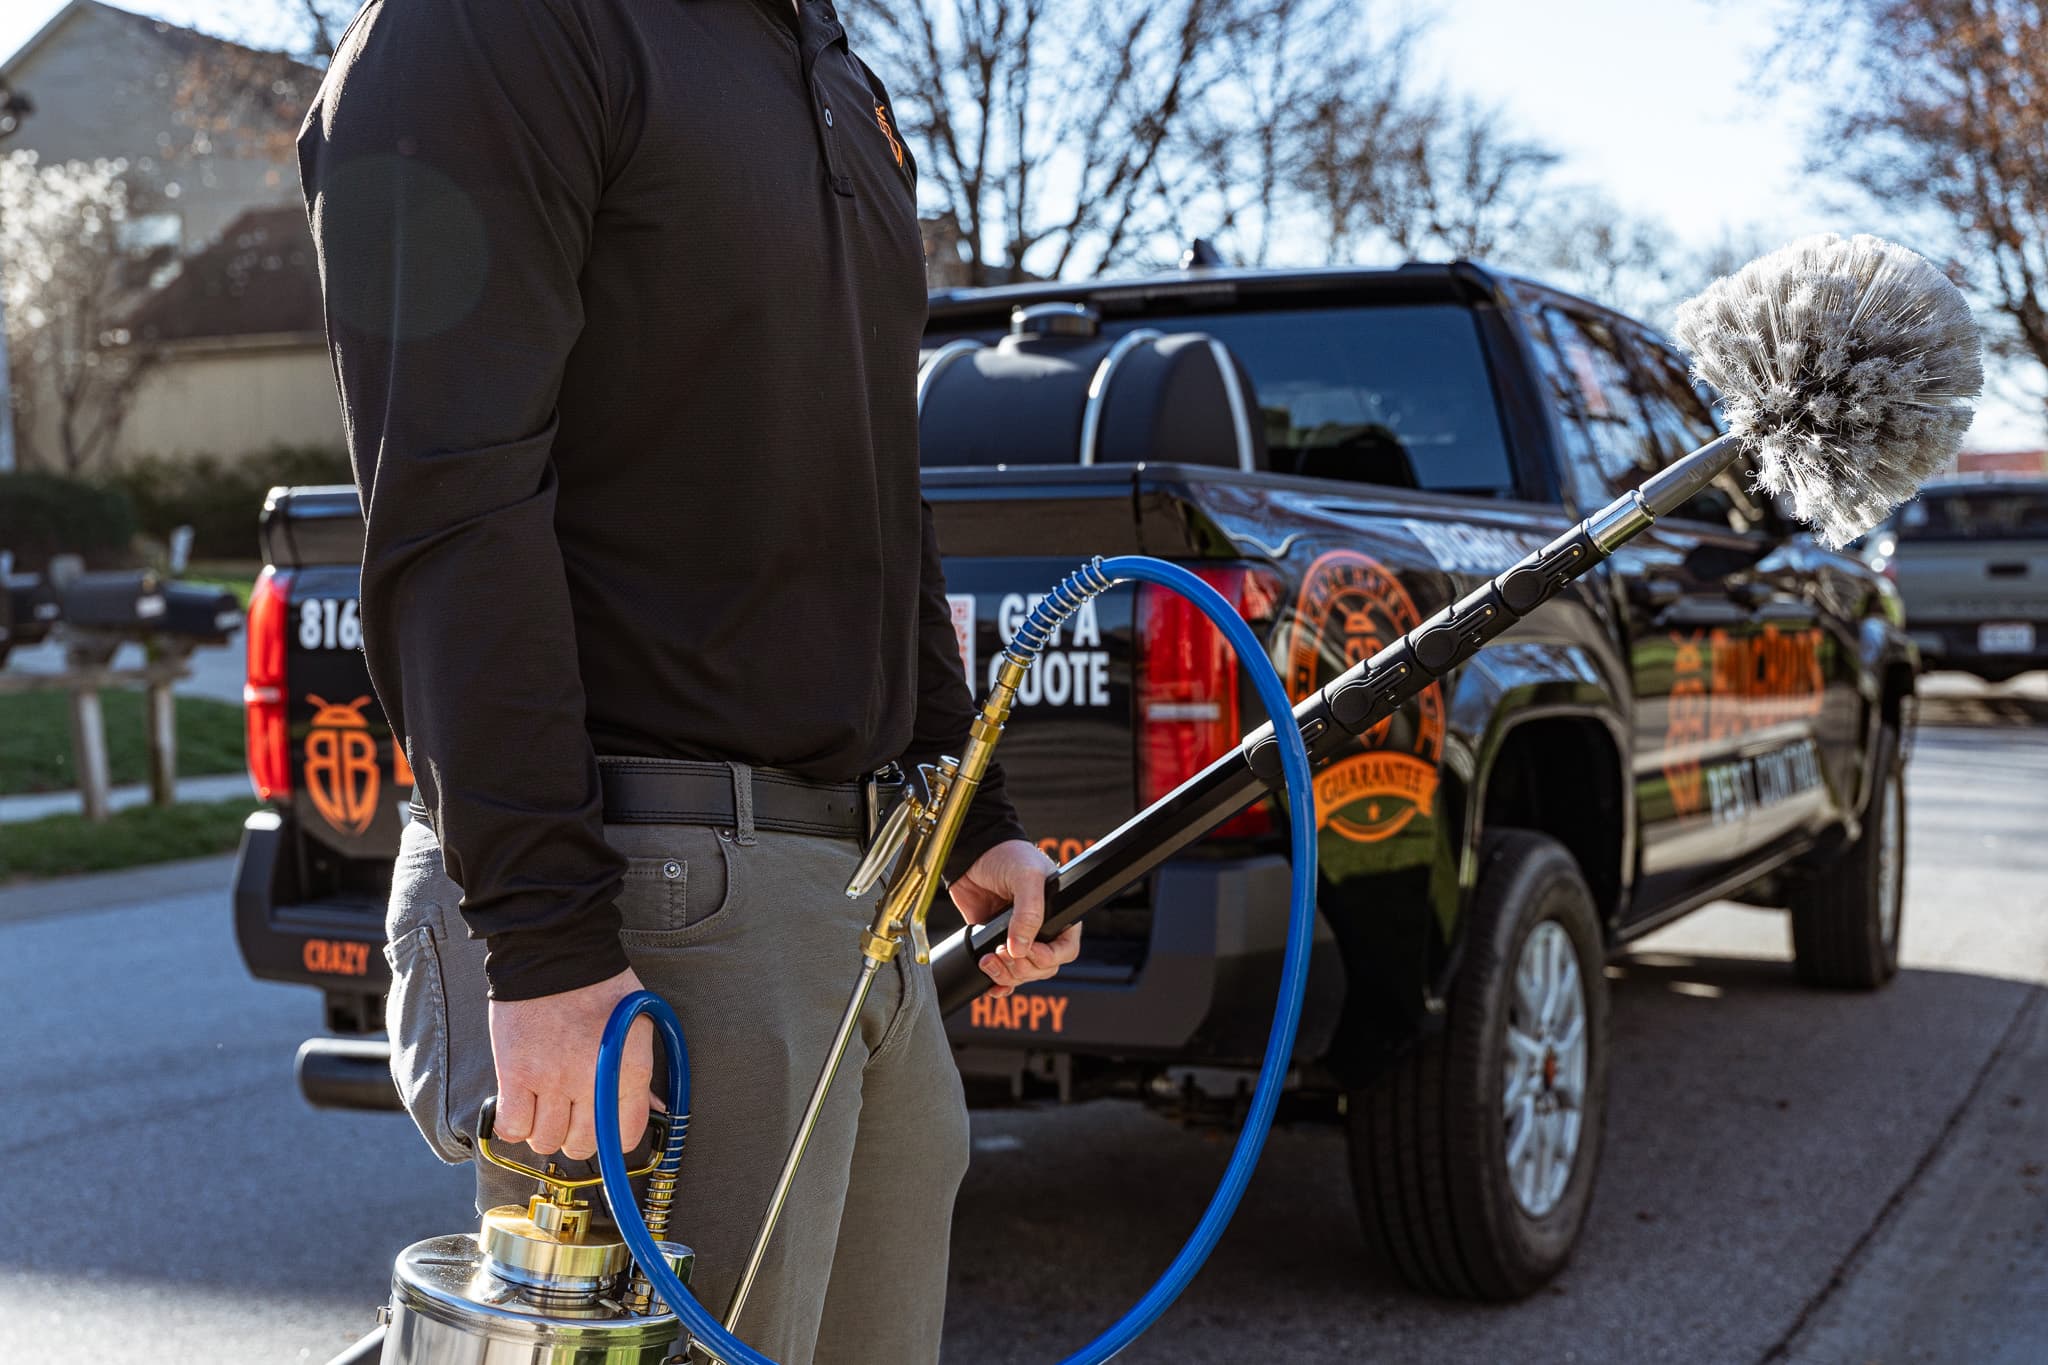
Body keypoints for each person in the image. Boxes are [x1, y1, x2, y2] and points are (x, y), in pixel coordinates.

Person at [296, 0, 1082, 1358]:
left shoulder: (826, 61)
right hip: (649, 890)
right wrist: (546, 943)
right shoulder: (493, 30)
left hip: (857, 902)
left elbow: (871, 476)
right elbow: (453, 510)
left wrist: (974, 800)